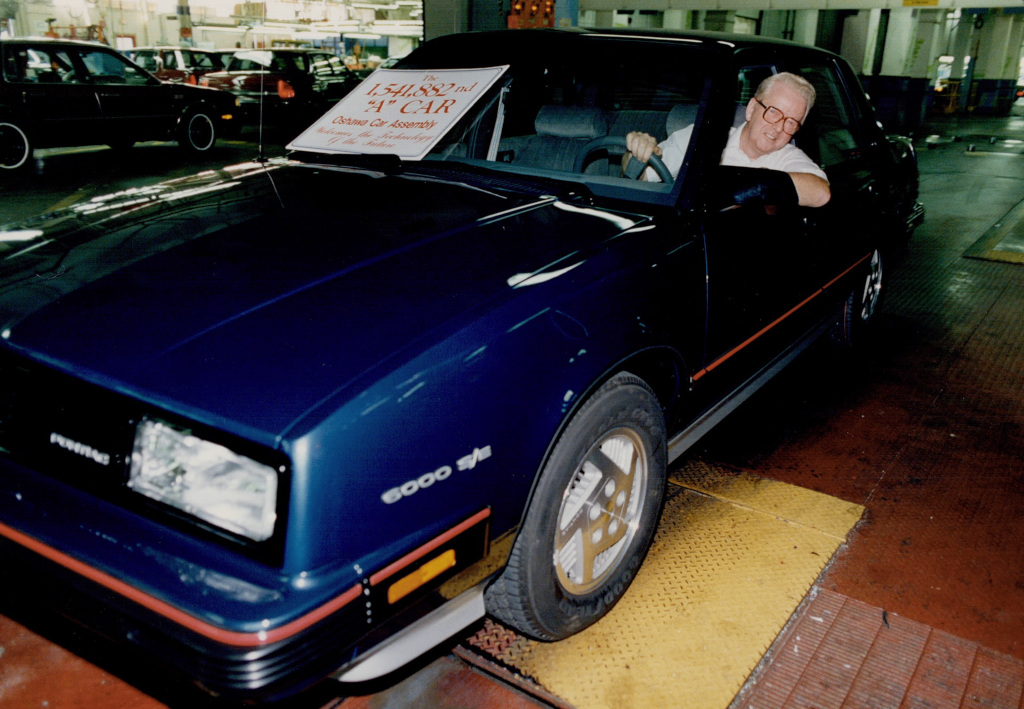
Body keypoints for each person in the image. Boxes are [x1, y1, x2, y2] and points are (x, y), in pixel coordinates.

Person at [624, 72, 831, 208]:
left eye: (791, 122)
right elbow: (638, 175)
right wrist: (636, 152)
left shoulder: (787, 156)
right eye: (773, 112)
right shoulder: (699, 138)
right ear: (751, 109)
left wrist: (750, 184)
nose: (778, 127)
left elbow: (821, 193)